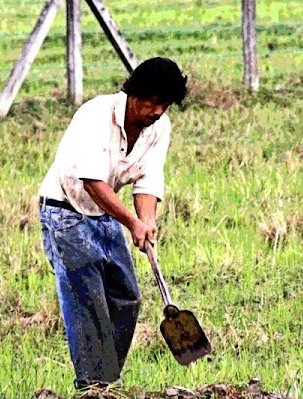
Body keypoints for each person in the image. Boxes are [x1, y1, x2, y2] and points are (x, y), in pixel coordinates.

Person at [37, 57, 189, 389]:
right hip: (65, 211)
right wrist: (131, 222)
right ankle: (95, 386)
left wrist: (146, 223)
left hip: (106, 212)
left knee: (127, 298)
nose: (158, 111)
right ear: (134, 94)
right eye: (152, 102)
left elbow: (148, 181)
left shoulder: (158, 127)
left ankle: (104, 383)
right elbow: (92, 181)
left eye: (164, 104)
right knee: (88, 300)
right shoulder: (95, 115)